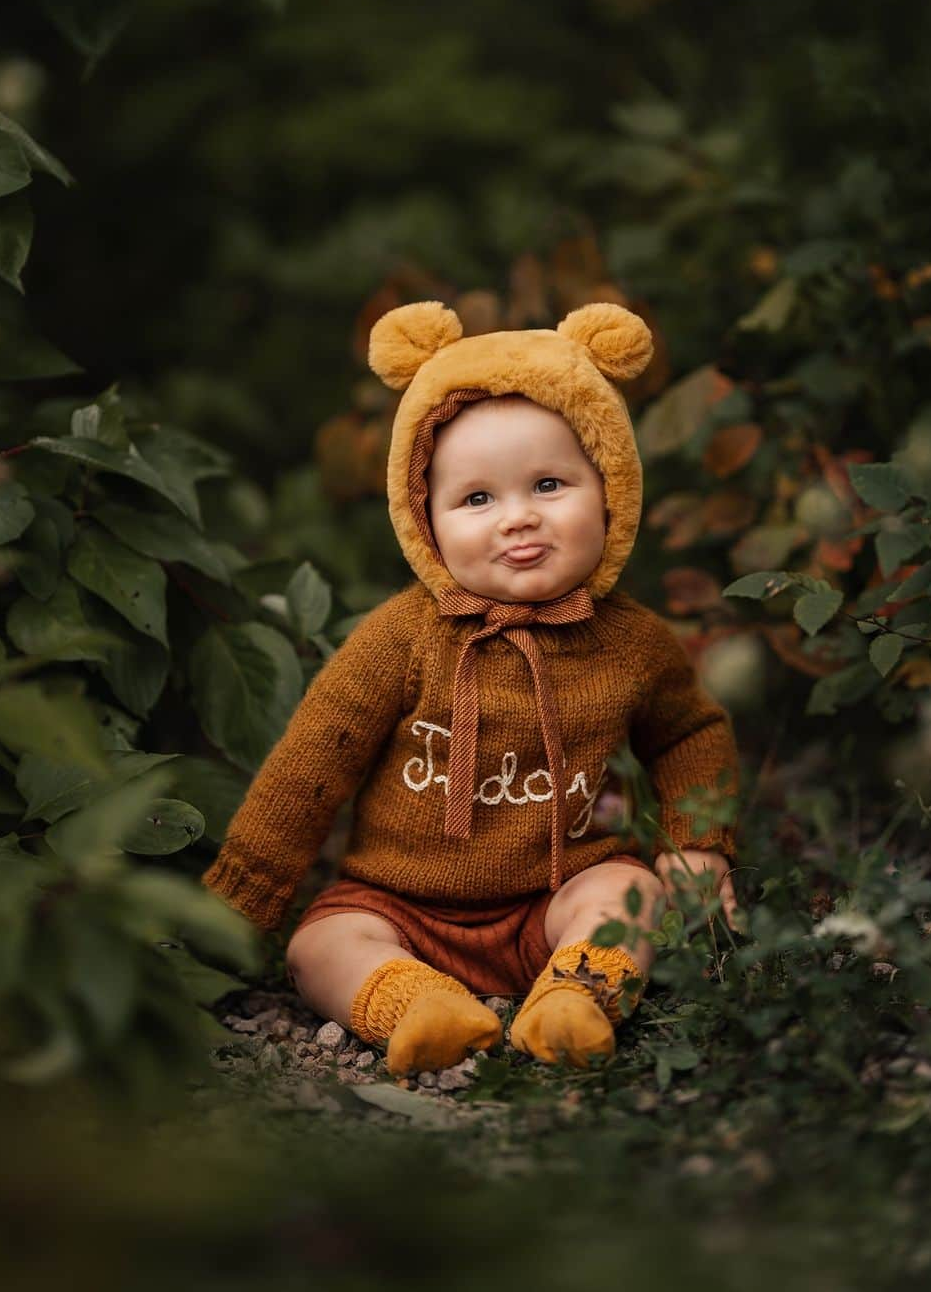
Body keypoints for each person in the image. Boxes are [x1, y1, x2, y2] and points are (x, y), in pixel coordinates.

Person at [202, 301, 741, 1076]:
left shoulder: (630, 641)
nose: (517, 519)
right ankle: (414, 1003)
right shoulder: (403, 637)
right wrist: (234, 906)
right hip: (398, 906)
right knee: (319, 946)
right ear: (424, 517)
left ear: (611, 489)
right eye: (477, 499)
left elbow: (690, 734)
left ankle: (575, 997)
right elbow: (310, 768)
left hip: (553, 899)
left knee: (629, 894)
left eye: (550, 484)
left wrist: (697, 846)